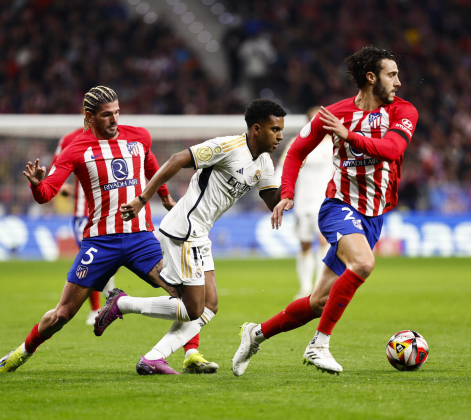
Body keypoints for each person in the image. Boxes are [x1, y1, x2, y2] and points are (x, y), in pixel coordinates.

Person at [0, 86, 213, 374]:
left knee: (189, 297)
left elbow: (151, 166)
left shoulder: (138, 137)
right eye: (106, 115)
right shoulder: (75, 149)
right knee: (63, 314)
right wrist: (36, 184)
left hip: (140, 238)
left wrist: (163, 195)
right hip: (100, 243)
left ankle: (189, 352)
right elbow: (48, 194)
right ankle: (22, 352)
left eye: (117, 113)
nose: (114, 120)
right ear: (90, 117)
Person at [232, 46, 419, 375]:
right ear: (371, 78)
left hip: (374, 217)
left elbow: (393, 149)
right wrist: (286, 193)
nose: (399, 82)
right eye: (392, 75)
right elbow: (295, 154)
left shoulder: (405, 112)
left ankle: (256, 333)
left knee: (318, 302)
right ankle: (318, 345)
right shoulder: (333, 114)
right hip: (339, 206)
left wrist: (350, 137)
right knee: (363, 263)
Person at [94, 99, 285, 374]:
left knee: (210, 306)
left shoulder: (264, 163)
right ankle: (122, 303)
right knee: (193, 309)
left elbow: (271, 200)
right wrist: (142, 199)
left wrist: (291, 184)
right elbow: (177, 159)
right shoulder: (227, 147)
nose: (280, 135)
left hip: (200, 233)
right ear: (257, 129)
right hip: (185, 231)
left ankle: (153, 358)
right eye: (274, 129)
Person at [50, 126, 114, 325]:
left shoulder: (115, 136)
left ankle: (110, 297)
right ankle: (96, 309)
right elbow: (55, 169)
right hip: (83, 211)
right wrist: (60, 185)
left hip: (110, 208)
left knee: (113, 256)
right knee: (89, 258)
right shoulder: (70, 138)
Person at [276, 106, 334, 298]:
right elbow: (284, 169)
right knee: (305, 245)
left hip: (324, 203)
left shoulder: (333, 144)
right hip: (302, 203)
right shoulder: (297, 143)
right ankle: (305, 288)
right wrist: (279, 194)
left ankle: (320, 287)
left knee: (324, 241)